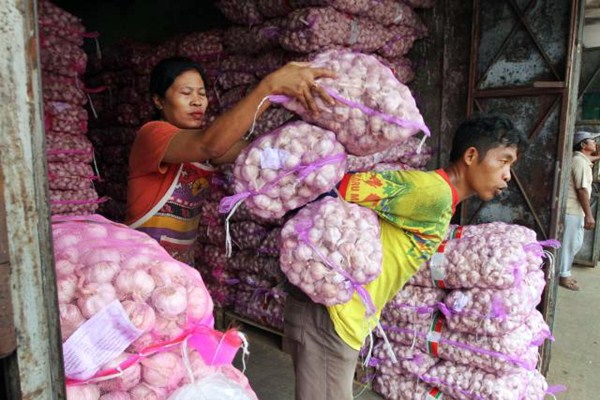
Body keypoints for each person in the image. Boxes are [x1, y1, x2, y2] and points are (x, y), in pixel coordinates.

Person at [284, 114, 528, 400]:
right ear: (471, 155)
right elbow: (333, 188)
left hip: (340, 318)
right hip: (331, 317)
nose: (508, 175)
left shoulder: (440, 198)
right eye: (504, 160)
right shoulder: (429, 192)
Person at [125, 56, 335, 265]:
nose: (197, 101)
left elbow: (255, 152)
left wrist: (315, 127)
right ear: (158, 100)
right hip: (141, 262)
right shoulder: (152, 135)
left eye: (202, 93)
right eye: (186, 93)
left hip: (176, 266)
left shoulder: (203, 144)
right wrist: (270, 88)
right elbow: (209, 144)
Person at [559, 130, 600, 291]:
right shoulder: (580, 163)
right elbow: (582, 190)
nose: (595, 143)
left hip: (574, 211)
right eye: (591, 141)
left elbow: (588, 159)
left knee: (573, 243)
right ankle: (564, 275)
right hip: (572, 210)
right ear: (583, 145)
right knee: (569, 245)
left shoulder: (580, 159)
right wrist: (589, 215)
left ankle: (564, 272)